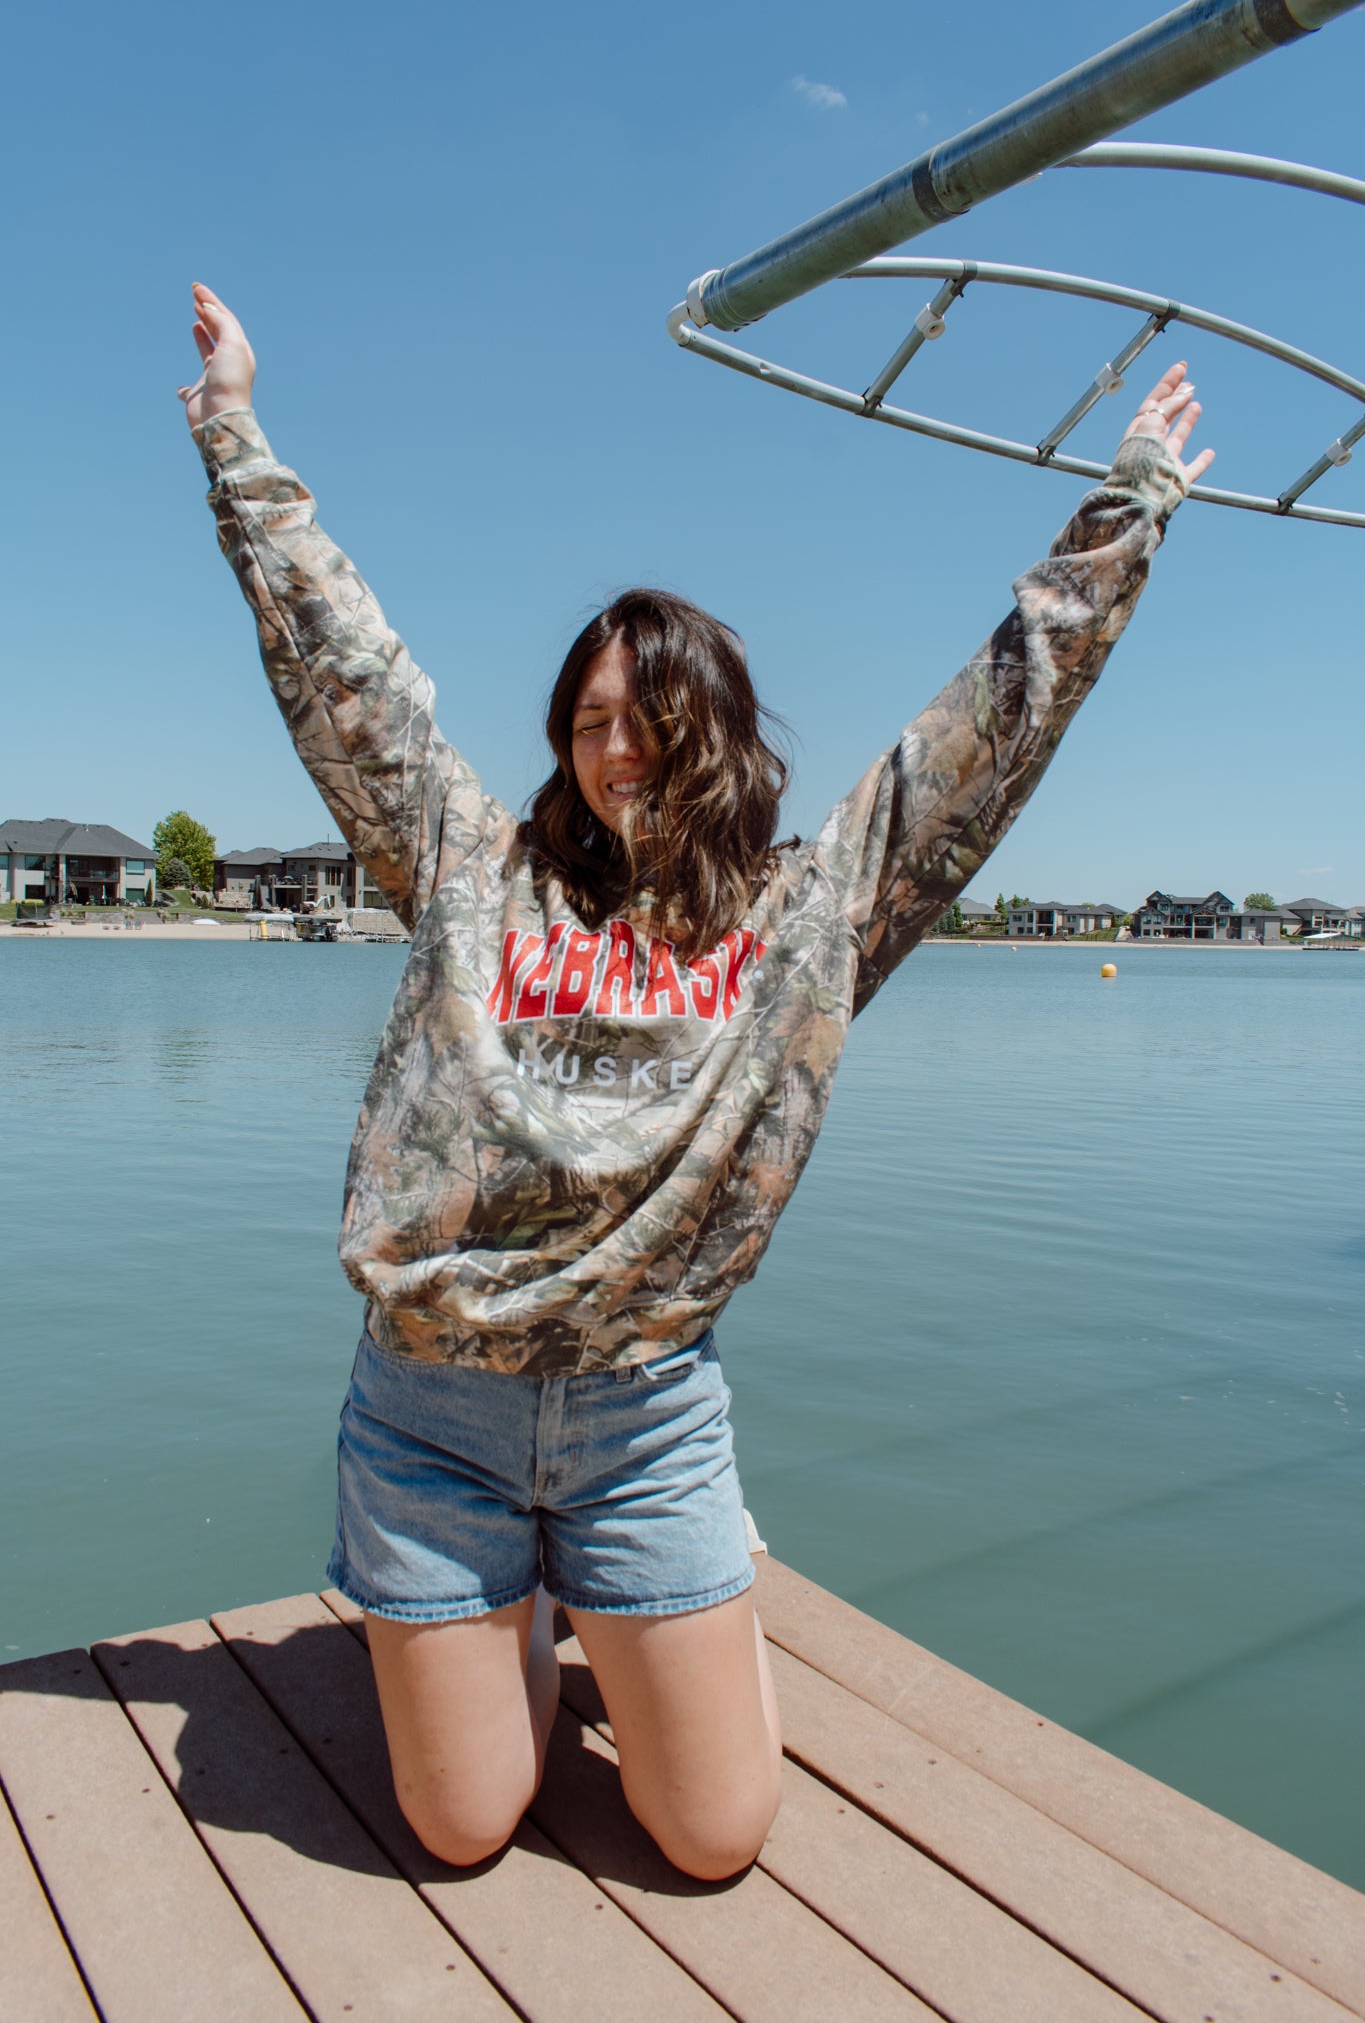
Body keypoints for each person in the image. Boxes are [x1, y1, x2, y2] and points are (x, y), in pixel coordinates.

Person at [179, 283, 1211, 1880]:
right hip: (434, 1406)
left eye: (651, 720)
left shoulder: (812, 917)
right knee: (462, 1824)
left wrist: (1124, 511)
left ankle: (643, 1577)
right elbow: (347, 671)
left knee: (714, 1837)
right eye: (590, 723)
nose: (618, 753)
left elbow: (989, 728)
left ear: (717, 728)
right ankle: (514, 1615)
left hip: (645, 1416)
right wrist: (235, 434)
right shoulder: (470, 868)